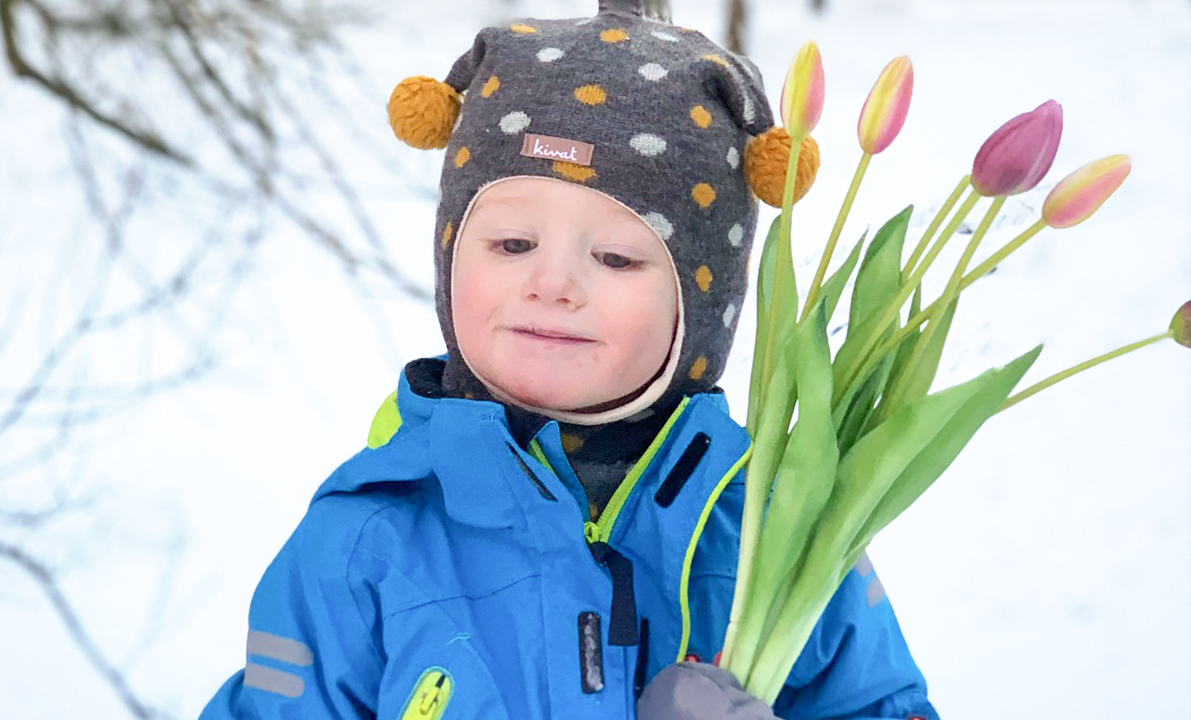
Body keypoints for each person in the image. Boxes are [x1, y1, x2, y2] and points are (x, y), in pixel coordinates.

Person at [199, 1, 939, 718]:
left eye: (616, 257)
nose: (551, 285)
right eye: (512, 245)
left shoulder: (773, 534)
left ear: (702, 307)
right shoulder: (368, 540)